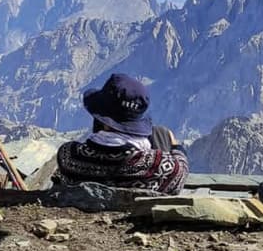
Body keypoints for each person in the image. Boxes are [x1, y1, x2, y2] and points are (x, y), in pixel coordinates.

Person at [56, 73, 189, 194]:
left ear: (102, 120)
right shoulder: (159, 166)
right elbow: (180, 173)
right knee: (161, 133)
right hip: (137, 214)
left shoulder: (69, 156)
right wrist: (176, 147)